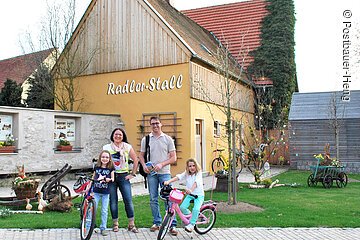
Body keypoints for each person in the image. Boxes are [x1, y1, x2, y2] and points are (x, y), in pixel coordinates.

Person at [138, 116, 178, 236]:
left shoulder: (168, 139)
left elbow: (173, 158)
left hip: (165, 173)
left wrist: (162, 164)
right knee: (153, 198)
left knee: (169, 199)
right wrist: (144, 165)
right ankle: (157, 222)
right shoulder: (146, 139)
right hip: (151, 174)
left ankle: (172, 224)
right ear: (150, 125)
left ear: (161, 124)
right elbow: (141, 155)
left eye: (157, 123)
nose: (155, 126)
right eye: (152, 124)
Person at [103, 128, 139, 233]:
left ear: (123, 136)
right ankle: (115, 224)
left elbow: (136, 160)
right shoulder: (107, 147)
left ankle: (131, 224)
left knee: (128, 200)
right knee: (113, 201)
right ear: (112, 136)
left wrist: (133, 174)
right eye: (116, 134)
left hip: (123, 176)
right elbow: (103, 160)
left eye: (120, 134)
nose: (118, 136)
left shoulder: (127, 147)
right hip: (111, 177)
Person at [164, 158, 204, 232]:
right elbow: (179, 177)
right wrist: (169, 181)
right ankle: (191, 216)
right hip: (190, 195)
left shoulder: (198, 173)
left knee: (196, 209)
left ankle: (192, 224)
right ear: (187, 167)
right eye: (190, 166)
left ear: (196, 166)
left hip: (198, 195)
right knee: (182, 207)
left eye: (193, 166)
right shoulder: (187, 173)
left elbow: (196, 182)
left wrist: (191, 190)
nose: (192, 168)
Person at [93, 150, 115, 236]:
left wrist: (108, 179)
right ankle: (88, 226)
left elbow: (113, 179)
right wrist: (89, 188)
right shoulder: (97, 167)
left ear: (109, 159)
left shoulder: (111, 168)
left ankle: (103, 228)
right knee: (92, 209)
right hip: (96, 192)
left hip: (106, 192)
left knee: (104, 210)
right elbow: (93, 177)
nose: (104, 159)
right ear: (100, 158)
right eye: (103, 157)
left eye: (106, 157)